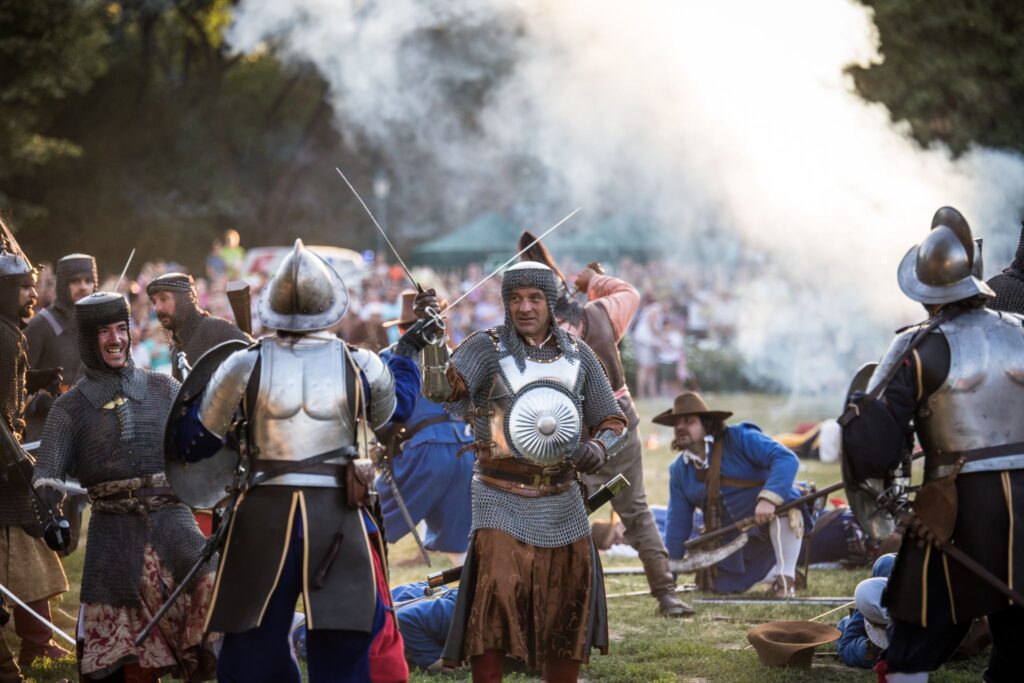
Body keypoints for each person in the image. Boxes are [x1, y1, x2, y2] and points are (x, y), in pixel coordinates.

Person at [179, 239, 429, 683]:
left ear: (271, 305)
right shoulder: (360, 364)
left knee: (252, 649)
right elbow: (397, 410)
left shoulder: (243, 364)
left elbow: (195, 442)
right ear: (332, 304)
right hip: (337, 520)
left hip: (260, 518)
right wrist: (406, 355)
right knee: (343, 647)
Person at [419, 261, 628, 682]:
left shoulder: (579, 356)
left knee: (566, 603)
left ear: (550, 302)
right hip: (498, 494)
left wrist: (597, 446)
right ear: (505, 303)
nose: (525, 307)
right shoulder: (486, 348)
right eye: (515, 298)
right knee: (494, 600)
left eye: (534, 298)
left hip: (562, 499)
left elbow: (613, 420)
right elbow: (441, 389)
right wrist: (433, 340)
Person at [844, 207, 1024, 682]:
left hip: (958, 510)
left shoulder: (916, 347)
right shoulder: (1021, 332)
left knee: (914, 644)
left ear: (925, 295)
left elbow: (874, 442)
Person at [31, 291, 215, 681]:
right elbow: (47, 472)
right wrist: (50, 515)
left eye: (121, 328)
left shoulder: (163, 388)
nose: (115, 339)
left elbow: (198, 451)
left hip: (173, 522)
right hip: (114, 532)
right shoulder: (71, 408)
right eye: (103, 331)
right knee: (120, 664)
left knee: (214, 596)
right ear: (87, 338)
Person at [533, 244, 691, 617]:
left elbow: (631, 294)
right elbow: (628, 293)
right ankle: (663, 595)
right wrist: (595, 282)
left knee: (626, 511)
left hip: (599, 431)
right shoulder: (599, 313)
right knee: (613, 513)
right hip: (584, 432)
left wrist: (591, 281)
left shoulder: (544, 335)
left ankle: (664, 593)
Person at [660, 391, 810, 598]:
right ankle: (773, 573)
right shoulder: (679, 470)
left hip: (770, 523)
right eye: (677, 423)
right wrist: (669, 576)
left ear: (706, 424)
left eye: (689, 421)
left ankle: (786, 579)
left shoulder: (739, 437)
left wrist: (768, 499)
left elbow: (786, 458)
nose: (680, 427)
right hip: (732, 542)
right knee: (721, 586)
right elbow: (677, 524)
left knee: (787, 506)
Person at [0, 232, 69, 673]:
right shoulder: (5, 338)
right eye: (23, 288)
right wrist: (15, 465)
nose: (33, 296)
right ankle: (30, 647)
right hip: (4, 470)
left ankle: (35, 642)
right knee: (22, 551)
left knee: (29, 554)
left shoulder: (9, 334)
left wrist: (37, 380)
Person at [374, 290, 474, 561]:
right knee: (460, 545)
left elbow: (381, 411)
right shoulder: (454, 356)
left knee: (369, 520)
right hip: (465, 452)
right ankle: (475, 598)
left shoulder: (390, 357)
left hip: (424, 451)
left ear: (403, 330)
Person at [24, 253, 97, 436]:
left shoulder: (98, 324)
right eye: (75, 281)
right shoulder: (41, 325)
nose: (83, 287)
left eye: (88, 281)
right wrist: (41, 402)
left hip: (88, 428)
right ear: (63, 284)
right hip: (47, 431)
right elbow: (17, 382)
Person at [146, 272, 251, 381]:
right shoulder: (176, 352)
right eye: (154, 302)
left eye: (163, 299)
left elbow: (256, 361)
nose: (157, 308)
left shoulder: (217, 329)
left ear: (184, 300)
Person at [837, 554, 896, 669]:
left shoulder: (868, 652)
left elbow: (845, 648)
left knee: (843, 623)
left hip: (879, 649)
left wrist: (862, 605)